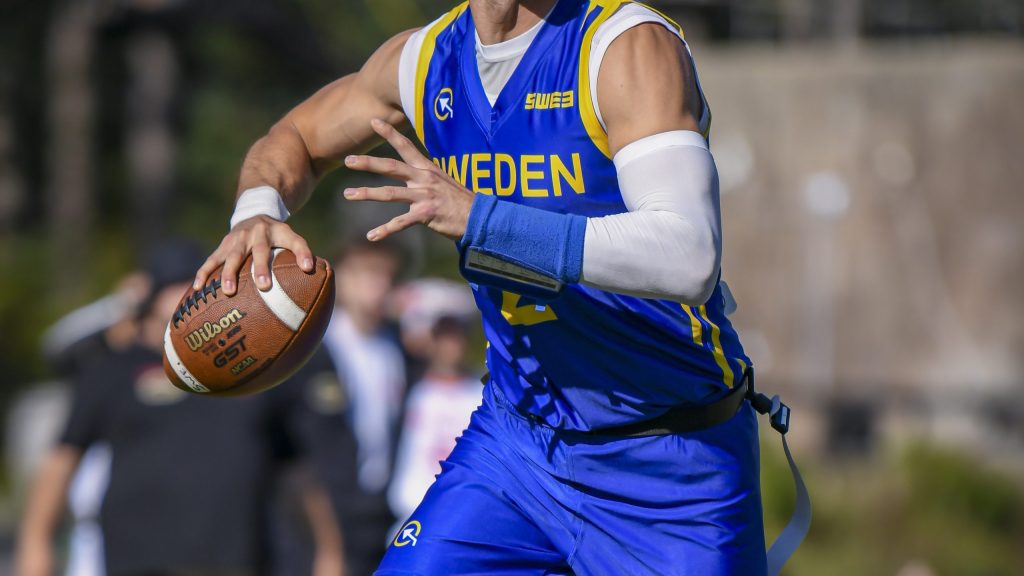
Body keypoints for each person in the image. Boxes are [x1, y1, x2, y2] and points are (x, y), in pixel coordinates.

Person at [193, 0, 807, 573]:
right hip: (518, 445)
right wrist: (255, 210)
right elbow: (298, 138)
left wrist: (483, 219)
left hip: (670, 456)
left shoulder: (621, 44)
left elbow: (689, 255)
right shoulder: (425, 61)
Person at [16, 241, 347, 576]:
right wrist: (35, 543)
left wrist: (329, 551)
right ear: (150, 298)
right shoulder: (112, 370)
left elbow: (296, 470)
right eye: (179, 286)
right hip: (142, 564)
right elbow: (62, 460)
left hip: (238, 561)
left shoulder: (247, 371)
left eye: (199, 286)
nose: (191, 296)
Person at [319, 238, 406, 575]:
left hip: (378, 510)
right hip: (324, 514)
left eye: (388, 276)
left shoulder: (397, 346)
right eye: (369, 274)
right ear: (341, 277)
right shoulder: (314, 345)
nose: (380, 286)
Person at [388, 315, 483, 526]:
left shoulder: (478, 392)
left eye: (455, 340)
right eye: (443, 339)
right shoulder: (414, 389)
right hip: (412, 505)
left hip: (461, 505)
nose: (449, 348)